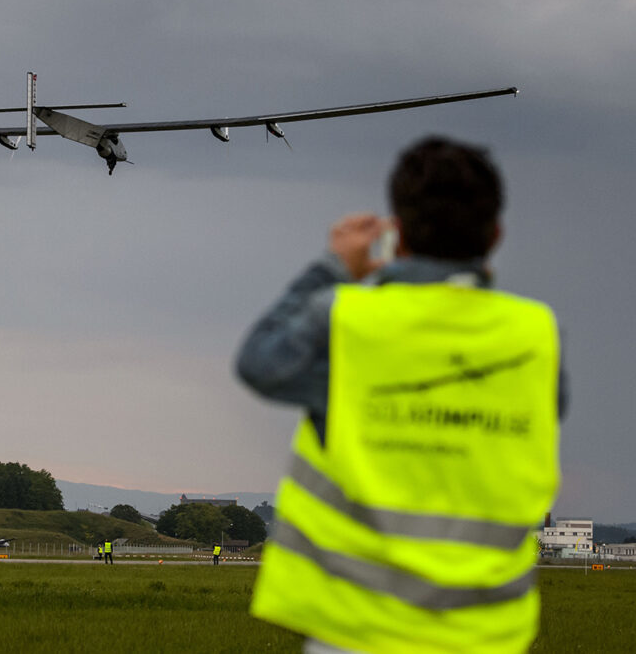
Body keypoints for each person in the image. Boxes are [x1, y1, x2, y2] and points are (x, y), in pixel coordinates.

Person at [236, 136, 567, 654]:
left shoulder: (348, 319)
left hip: (356, 629)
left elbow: (259, 363)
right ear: (496, 235)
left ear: (397, 233)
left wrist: (334, 267)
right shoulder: (537, 336)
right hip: (486, 637)